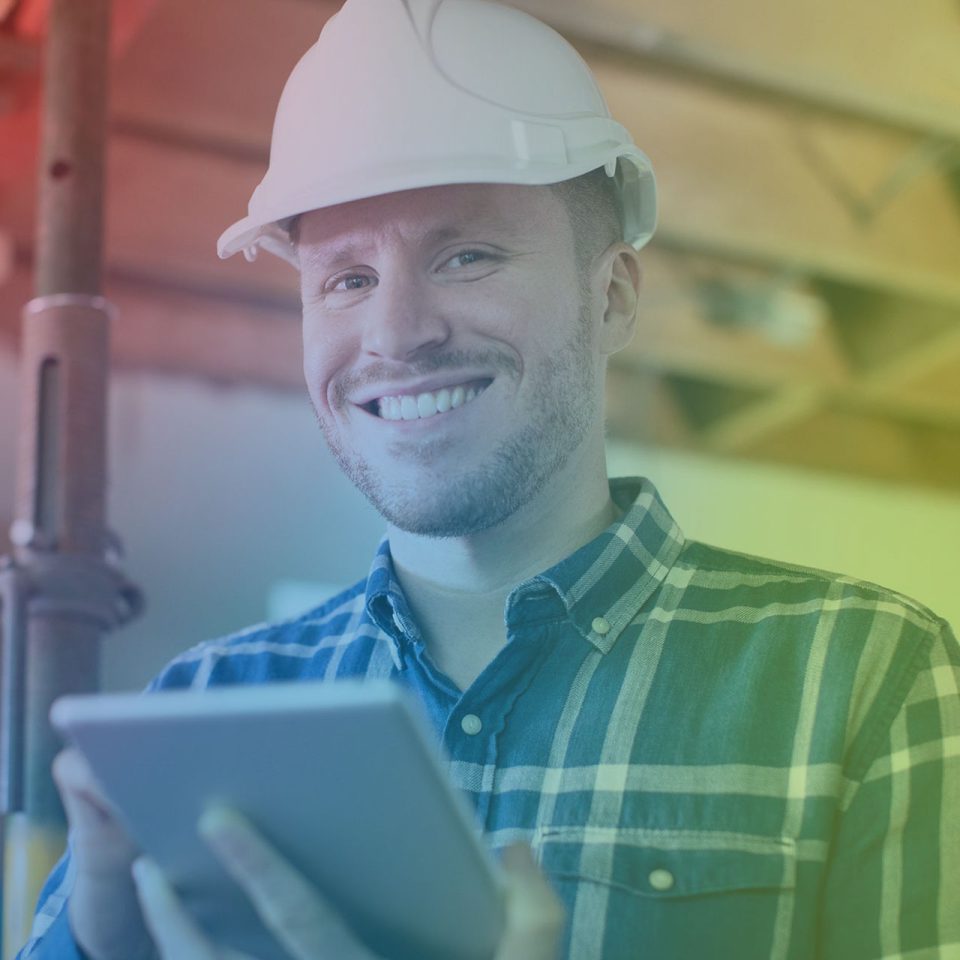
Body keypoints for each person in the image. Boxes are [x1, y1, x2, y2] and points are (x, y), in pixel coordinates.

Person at [18, 0, 960, 958]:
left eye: (466, 255)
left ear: (615, 294)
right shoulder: (199, 710)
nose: (395, 333)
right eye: (345, 280)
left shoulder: (863, 682)